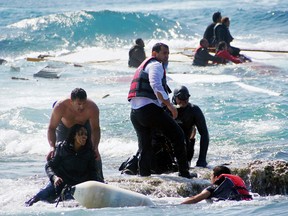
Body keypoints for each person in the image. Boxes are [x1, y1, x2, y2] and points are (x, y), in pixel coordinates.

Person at [128, 42, 193, 178]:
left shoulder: (144, 65)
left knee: (145, 145)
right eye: (164, 53)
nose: (166, 56)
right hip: (149, 111)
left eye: (168, 53)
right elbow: (156, 85)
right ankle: (184, 173)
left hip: (135, 113)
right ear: (154, 54)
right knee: (178, 135)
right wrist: (170, 106)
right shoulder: (156, 65)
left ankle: (144, 175)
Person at [25, 124, 98, 206]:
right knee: (37, 198)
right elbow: (49, 166)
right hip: (59, 182)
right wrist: (55, 178)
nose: (84, 136)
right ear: (74, 136)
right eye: (81, 134)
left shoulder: (89, 152)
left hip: (77, 186)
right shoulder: (62, 148)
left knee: (67, 202)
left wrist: (98, 186)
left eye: (86, 134)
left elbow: (93, 172)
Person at [47, 88, 104, 182]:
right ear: (71, 101)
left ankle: (99, 180)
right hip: (65, 127)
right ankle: (56, 180)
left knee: (93, 153)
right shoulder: (60, 106)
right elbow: (51, 128)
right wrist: (52, 147)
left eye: (84, 103)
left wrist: (96, 147)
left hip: (84, 126)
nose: (82, 107)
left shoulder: (92, 108)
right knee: (59, 152)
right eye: (79, 104)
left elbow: (95, 129)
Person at [172, 86, 209, 167]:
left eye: (187, 97)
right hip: (170, 145)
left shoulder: (194, 110)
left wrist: (202, 160)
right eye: (181, 97)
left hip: (186, 146)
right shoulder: (168, 109)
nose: (184, 100)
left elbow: (204, 134)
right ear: (175, 98)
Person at [181, 165, 252, 204]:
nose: (210, 178)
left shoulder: (215, 186)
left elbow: (195, 199)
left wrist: (179, 205)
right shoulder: (234, 184)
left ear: (216, 177)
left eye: (211, 176)